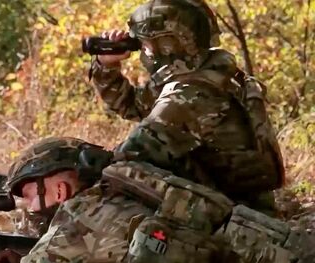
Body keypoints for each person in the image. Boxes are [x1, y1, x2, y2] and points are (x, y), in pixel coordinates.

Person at [0, 136, 315, 263]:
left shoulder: (78, 220)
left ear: (59, 190)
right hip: (296, 257)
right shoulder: (133, 188)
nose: (28, 206)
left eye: (30, 193)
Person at [89, 0, 285, 215]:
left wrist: (79, 167)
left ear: (168, 45)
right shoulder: (211, 72)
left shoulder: (192, 94)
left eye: (144, 45)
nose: (142, 53)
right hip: (238, 206)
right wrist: (106, 66)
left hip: (232, 220)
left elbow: (131, 154)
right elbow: (132, 104)